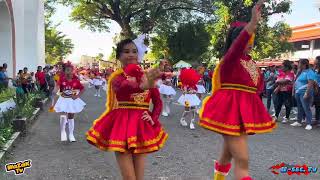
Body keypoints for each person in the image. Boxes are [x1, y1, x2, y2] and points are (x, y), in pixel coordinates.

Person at [199, 1, 276, 179]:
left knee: (227, 154)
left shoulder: (252, 63)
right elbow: (237, 46)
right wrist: (253, 22)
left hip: (244, 112)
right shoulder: (230, 59)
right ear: (236, 41)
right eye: (247, 37)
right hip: (229, 111)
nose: (250, 41)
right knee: (243, 159)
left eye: (251, 37)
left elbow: (258, 88)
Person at [86, 38, 168, 180]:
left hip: (141, 127)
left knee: (139, 177)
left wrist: (153, 118)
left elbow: (158, 103)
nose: (131, 55)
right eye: (126, 51)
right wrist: (141, 86)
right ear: (119, 56)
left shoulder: (148, 76)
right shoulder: (116, 78)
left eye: (134, 51)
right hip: (122, 126)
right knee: (129, 177)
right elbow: (122, 91)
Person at [53, 62, 86, 142]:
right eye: (67, 70)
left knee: (71, 117)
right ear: (64, 71)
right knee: (63, 115)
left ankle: (71, 134)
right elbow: (57, 87)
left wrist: (77, 96)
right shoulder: (62, 79)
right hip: (63, 99)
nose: (69, 72)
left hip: (72, 100)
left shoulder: (75, 80)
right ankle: (63, 132)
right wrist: (55, 91)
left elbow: (82, 89)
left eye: (71, 70)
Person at [290, 59, 316, 130]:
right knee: (300, 107)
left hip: (304, 92)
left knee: (306, 108)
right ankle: (299, 121)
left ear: (304, 65)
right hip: (298, 92)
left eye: (299, 63)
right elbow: (296, 81)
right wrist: (294, 91)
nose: (298, 65)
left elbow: (310, 83)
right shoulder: (301, 72)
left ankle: (309, 123)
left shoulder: (310, 72)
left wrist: (307, 93)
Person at [313, 56, 320, 126]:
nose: (315, 60)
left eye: (316, 59)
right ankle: (317, 119)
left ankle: (317, 120)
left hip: (318, 88)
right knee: (316, 105)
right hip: (315, 88)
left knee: (318, 105)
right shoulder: (315, 70)